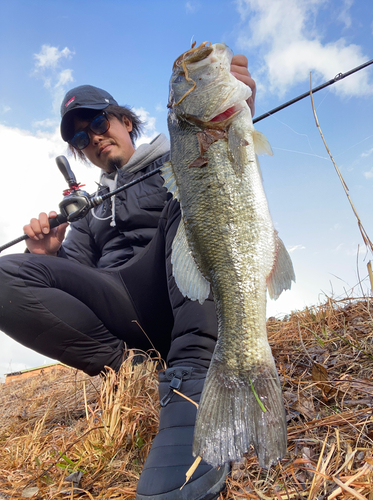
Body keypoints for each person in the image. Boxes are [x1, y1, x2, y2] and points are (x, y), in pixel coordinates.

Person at [0, 54, 256, 500]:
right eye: (81, 137)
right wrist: (46, 255)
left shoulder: (174, 157)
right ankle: (130, 369)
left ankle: (194, 378)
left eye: (98, 122)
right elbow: (71, 287)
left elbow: (231, 185)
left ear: (123, 120)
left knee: (193, 192)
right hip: (121, 306)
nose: (93, 137)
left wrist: (232, 116)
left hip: (181, 293)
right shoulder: (89, 211)